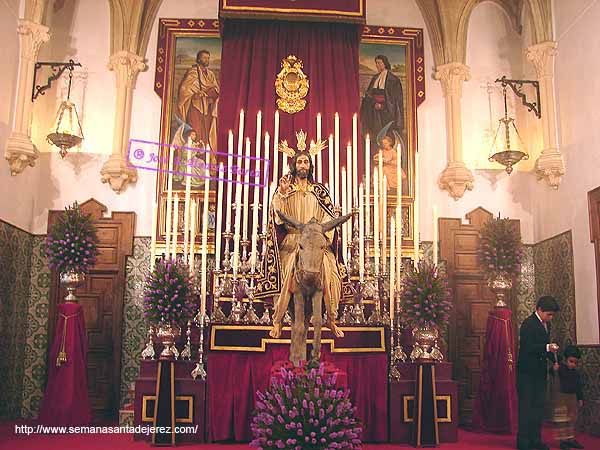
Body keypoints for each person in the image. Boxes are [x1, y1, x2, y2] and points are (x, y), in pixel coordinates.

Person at [268, 149, 345, 340]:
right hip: (294, 241)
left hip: (316, 243)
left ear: (310, 166)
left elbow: (329, 216)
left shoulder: (319, 191)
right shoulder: (286, 190)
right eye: (300, 162)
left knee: (330, 270)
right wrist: (281, 195)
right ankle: (277, 321)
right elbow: (278, 218)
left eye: (306, 162)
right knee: (287, 271)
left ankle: (331, 318)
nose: (303, 165)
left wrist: (319, 236)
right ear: (294, 165)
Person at [516, 296, 561, 450]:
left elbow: (544, 348)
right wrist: (547, 347)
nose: (551, 317)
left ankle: (536, 440)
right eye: (549, 314)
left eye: (552, 315)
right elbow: (528, 348)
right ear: (539, 309)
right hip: (526, 374)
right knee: (526, 408)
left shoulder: (546, 324)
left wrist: (555, 359)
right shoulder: (528, 324)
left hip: (539, 374)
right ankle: (523, 443)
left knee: (538, 408)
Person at [177, 49, 219, 162]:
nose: (207, 60)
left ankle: (205, 161)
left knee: (206, 134)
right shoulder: (193, 72)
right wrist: (195, 94)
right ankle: (194, 160)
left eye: (208, 58)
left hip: (207, 108)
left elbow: (216, 89)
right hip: (196, 108)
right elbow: (184, 89)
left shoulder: (210, 74)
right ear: (199, 59)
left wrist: (211, 93)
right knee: (196, 132)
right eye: (204, 57)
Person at [360, 54, 404, 140]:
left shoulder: (394, 80)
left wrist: (383, 106)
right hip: (374, 109)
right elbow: (370, 93)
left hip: (386, 111)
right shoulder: (375, 77)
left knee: (385, 134)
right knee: (374, 131)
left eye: (379, 63)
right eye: (376, 63)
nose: (377, 65)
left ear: (385, 63)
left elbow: (395, 100)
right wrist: (370, 100)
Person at [551, 345, 584, 450]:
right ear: (565, 360)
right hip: (562, 397)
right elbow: (551, 372)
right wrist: (554, 369)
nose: (573, 364)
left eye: (575, 362)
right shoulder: (560, 368)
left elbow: (578, 386)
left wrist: (580, 398)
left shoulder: (576, 373)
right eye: (571, 361)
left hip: (572, 398)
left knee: (572, 419)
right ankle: (563, 441)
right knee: (562, 420)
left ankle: (571, 439)